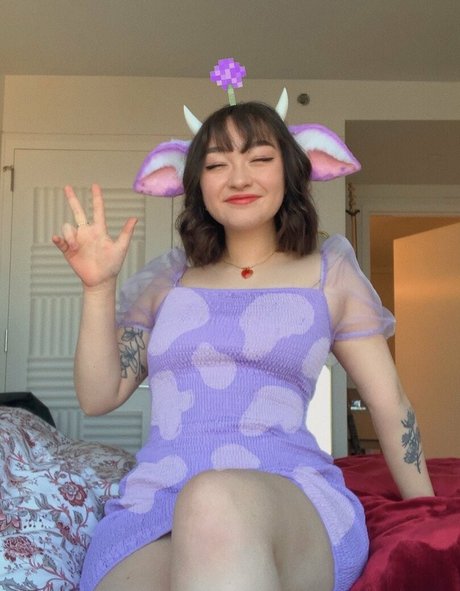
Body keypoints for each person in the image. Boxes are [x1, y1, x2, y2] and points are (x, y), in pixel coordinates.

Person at [52, 100, 435, 591]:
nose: (238, 178)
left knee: (213, 498)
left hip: (288, 495)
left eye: (259, 158)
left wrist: (427, 513)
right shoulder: (169, 279)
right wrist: (98, 288)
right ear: (197, 183)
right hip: (155, 502)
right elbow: (98, 396)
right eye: (216, 164)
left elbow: (390, 403)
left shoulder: (329, 272)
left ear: (291, 169)